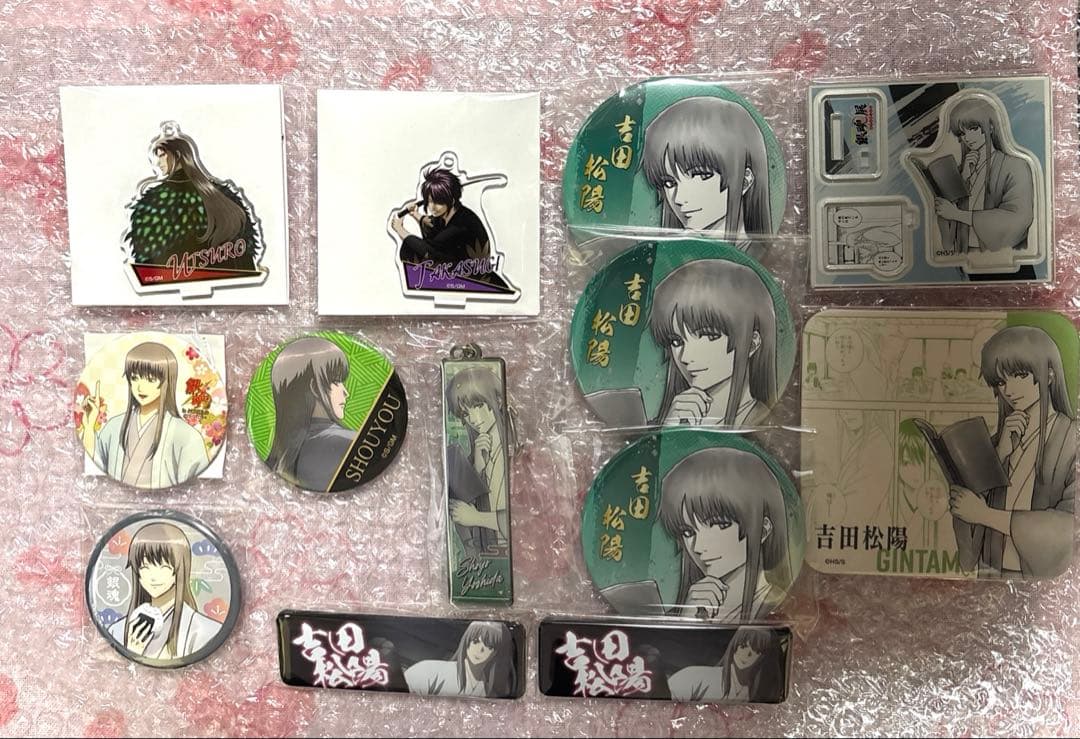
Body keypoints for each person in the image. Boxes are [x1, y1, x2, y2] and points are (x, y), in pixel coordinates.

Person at [948, 325, 1077, 578]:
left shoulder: (1072, 439)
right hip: (992, 575)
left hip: (1039, 582)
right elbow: (964, 509)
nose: (1009, 389)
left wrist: (985, 515)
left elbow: (1068, 527)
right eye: (1000, 381)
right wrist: (998, 455)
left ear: (1049, 374)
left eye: (1019, 375)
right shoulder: (1000, 440)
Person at [659, 446, 791, 622]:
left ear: (763, 530)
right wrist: (686, 621)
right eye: (688, 532)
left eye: (719, 524)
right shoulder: (685, 611)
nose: (698, 547)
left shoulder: (781, 611)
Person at [649, 259, 778, 427]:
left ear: (752, 344)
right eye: (676, 341)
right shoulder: (669, 420)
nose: (685, 357)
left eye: (708, 336)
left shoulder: (764, 426)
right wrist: (669, 432)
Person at [125, 122, 261, 273]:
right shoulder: (224, 196)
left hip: (172, 280)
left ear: (177, 155)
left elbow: (148, 267)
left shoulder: (153, 203)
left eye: (162, 155)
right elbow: (245, 262)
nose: (158, 162)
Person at [642, 96, 773, 252]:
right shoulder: (673, 256)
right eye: (669, 183)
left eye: (701, 176)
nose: (679, 199)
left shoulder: (758, 254)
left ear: (745, 181)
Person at [931, 97, 1036, 281]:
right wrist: (962, 180)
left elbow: (1018, 218)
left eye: (973, 128)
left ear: (991, 126)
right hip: (966, 258)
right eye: (962, 133)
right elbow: (945, 219)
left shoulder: (1015, 166)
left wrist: (958, 214)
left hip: (1004, 261)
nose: (967, 137)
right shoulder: (965, 168)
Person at [79, 341, 208, 489]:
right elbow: (96, 469)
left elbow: (196, 484)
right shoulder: (114, 427)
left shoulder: (186, 434)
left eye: (151, 380)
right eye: (134, 378)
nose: (140, 387)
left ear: (167, 381)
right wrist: (89, 427)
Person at [106, 522, 221, 661]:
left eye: (163, 567)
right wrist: (132, 652)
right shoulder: (116, 630)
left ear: (180, 568)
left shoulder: (204, 630)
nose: (153, 577)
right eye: (144, 567)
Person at [264, 337, 354, 492]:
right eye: (336, 381)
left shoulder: (278, 458)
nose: (346, 392)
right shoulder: (347, 442)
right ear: (314, 387)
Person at [444, 367, 510, 555]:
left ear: (498, 400)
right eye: (465, 414)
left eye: (478, 406)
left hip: (515, 551)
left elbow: (520, 517)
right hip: (488, 554)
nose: (473, 418)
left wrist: (476, 518)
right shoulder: (480, 451)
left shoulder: (513, 451)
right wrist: (478, 467)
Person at [668, 626, 786, 702]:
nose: (747, 654)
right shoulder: (695, 677)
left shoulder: (757, 694)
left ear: (762, 657)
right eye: (743, 646)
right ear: (734, 646)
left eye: (756, 651)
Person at [403, 621, 516, 698]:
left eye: (489, 646)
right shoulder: (429, 670)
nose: (480, 650)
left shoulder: (489, 693)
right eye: (475, 641)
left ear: (495, 653)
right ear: (466, 642)